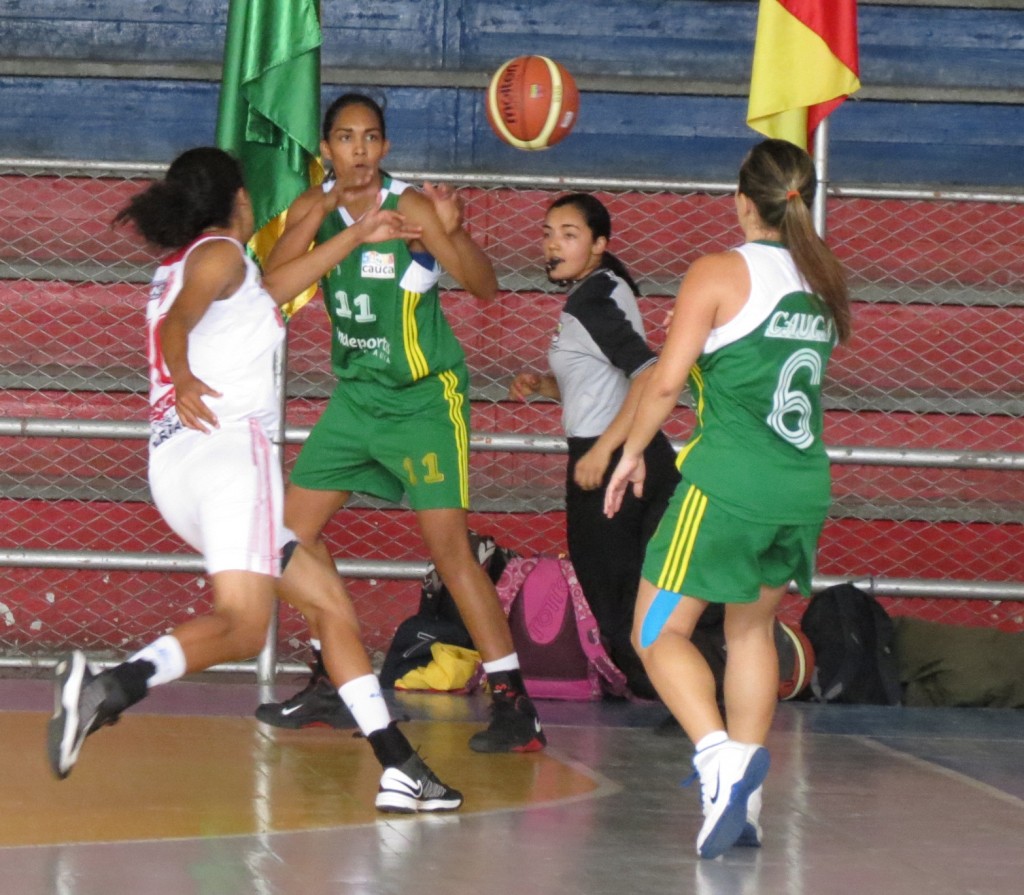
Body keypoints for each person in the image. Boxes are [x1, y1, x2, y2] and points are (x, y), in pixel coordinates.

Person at [46, 146, 462, 813]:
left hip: (178, 471)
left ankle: (400, 766)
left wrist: (356, 231)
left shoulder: (204, 267)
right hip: (228, 458)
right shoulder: (218, 254)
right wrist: (182, 375)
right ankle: (106, 688)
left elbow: (272, 289)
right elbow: (180, 323)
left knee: (328, 602)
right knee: (243, 627)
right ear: (238, 200)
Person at [256, 92, 545, 753]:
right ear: (326, 148)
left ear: (384, 149)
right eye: (345, 138)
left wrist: (455, 232)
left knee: (449, 551)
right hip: (358, 398)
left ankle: (514, 704)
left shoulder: (409, 206)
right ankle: (336, 677)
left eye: (371, 137)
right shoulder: (314, 208)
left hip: (422, 400)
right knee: (287, 534)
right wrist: (324, 209)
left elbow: (484, 285)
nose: (359, 149)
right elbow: (271, 286)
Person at [604, 138, 851, 859]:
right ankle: (747, 804)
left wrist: (628, 455)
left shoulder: (719, 271)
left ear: (743, 200)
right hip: (801, 486)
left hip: (730, 485)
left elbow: (666, 380)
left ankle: (719, 761)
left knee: (655, 630)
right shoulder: (824, 279)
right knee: (750, 632)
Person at [508, 193, 680, 700]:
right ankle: (682, 694)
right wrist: (545, 385)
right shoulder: (606, 288)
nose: (552, 244)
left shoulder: (593, 299)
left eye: (569, 234)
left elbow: (650, 376)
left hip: (617, 466)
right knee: (639, 596)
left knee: (615, 605)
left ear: (600, 245)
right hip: (640, 455)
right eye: (547, 232)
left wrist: (604, 452)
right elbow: (608, 382)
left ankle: (679, 695)